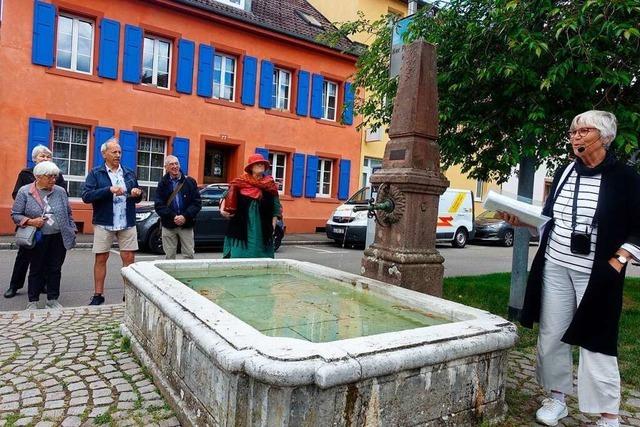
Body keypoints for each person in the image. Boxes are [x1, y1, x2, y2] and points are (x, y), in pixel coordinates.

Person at [499, 110, 640, 427]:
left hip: (598, 272)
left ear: (603, 136)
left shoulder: (625, 178)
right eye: (573, 131)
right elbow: (551, 219)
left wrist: (618, 261)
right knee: (552, 335)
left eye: (583, 131)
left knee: (598, 339)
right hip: (555, 265)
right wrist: (522, 221)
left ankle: (608, 414)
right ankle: (557, 398)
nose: (575, 136)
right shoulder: (564, 172)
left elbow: (638, 226)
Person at [82, 138, 143, 305]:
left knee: (129, 258)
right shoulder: (95, 173)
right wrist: (108, 190)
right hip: (104, 221)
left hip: (127, 221)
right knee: (101, 258)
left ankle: (129, 294)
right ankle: (98, 295)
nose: (118, 155)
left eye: (119, 152)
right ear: (104, 154)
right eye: (114, 152)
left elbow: (136, 198)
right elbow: (86, 196)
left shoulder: (129, 172)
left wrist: (138, 193)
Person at [11, 161, 76, 310]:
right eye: (50, 177)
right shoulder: (25, 191)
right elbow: (15, 214)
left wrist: (72, 229)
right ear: (38, 177)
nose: (54, 180)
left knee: (55, 268)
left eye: (55, 176)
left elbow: (69, 212)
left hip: (58, 236)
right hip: (38, 237)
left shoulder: (60, 191)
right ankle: (32, 301)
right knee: (36, 268)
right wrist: (31, 221)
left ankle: (52, 300)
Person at [4, 145, 66, 299]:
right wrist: (30, 217)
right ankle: (14, 285)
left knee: (47, 259)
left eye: (47, 156)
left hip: (50, 224)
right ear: (34, 159)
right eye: (41, 156)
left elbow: (63, 196)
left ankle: (43, 284)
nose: (45, 158)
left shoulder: (57, 175)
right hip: (30, 224)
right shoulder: (26, 174)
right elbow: (16, 195)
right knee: (23, 256)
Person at [220, 153, 281, 258]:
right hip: (241, 227)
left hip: (262, 228)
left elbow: (275, 209)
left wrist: (273, 226)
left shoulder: (270, 185)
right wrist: (222, 211)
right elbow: (225, 196)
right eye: (257, 164)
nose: (261, 165)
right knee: (239, 257)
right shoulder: (240, 182)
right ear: (251, 167)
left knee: (261, 258)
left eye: (262, 164)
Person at [154, 155, 201, 259]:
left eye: (176, 163)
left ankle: (187, 275)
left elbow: (197, 203)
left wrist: (185, 216)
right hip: (169, 224)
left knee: (189, 255)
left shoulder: (190, 182)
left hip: (186, 224)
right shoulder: (162, 183)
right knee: (169, 256)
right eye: (171, 164)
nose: (175, 166)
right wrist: (173, 216)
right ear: (166, 167)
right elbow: (158, 205)